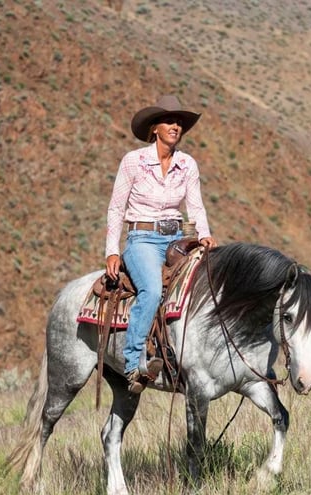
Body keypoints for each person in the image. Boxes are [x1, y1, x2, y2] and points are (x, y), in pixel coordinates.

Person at [105, 95, 218, 393]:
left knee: (204, 283)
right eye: (169, 121)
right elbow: (116, 208)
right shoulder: (133, 161)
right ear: (154, 128)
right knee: (152, 290)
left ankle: (185, 357)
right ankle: (133, 364)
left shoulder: (187, 164)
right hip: (141, 238)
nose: (175, 126)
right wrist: (112, 251)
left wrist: (204, 233)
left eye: (179, 122)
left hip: (176, 239)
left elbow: (196, 207)